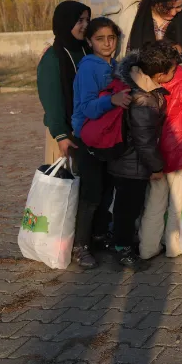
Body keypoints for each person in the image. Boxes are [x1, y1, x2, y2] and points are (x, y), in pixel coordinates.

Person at [107, 41, 180, 268]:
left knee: (126, 206)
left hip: (129, 162)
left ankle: (121, 239)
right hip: (132, 165)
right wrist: (157, 167)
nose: (175, 73)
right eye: (172, 71)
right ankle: (122, 248)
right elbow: (145, 141)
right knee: (127, 208)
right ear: (159, 75)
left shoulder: (141, 86)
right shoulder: (144, 100)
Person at [69, 17, 130, 268]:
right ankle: (80, 246)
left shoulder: (115, 65)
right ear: (90, 41)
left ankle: (99, 235)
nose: (107, 43)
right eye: (100, 38)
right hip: (89, 140)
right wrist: (112, 101)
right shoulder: (89, 68)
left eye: (111, 38)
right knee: (91, 194)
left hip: (110, 138)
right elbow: (86, 108)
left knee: (107, 191)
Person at [141, 43, 182, 260]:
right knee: (178, 204)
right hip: (180, 154)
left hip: (156, 155)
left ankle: (147, 248)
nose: (157, 79)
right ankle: (173, 247)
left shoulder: (149, 89)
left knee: (155, 204)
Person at [37, 1, 91, 164]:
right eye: (79, 20)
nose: (85, 25)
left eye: (87, 20)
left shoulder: (86, 50)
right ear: (65, 22)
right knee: (65, 184)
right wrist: (61, 135)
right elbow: (51, 100)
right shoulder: (53, 57)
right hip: (64, 134)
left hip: (87, 131)